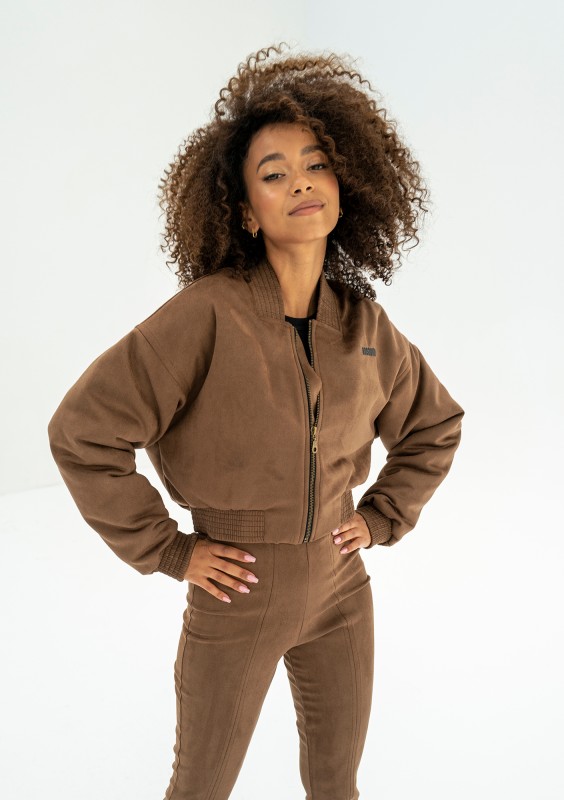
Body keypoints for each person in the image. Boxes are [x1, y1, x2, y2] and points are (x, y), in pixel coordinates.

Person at [47, 42, 465, 800]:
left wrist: (380, 517)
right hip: (237, 590)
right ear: (244, 212)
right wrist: (170, 550)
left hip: (341, 588)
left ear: (345, 186)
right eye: (273, 174)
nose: (300, 181)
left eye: (316, 164)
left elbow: (434, 427)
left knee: (337, 783)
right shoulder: (206, 315)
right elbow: (83, 432)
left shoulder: (365, 324)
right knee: (200, 788)